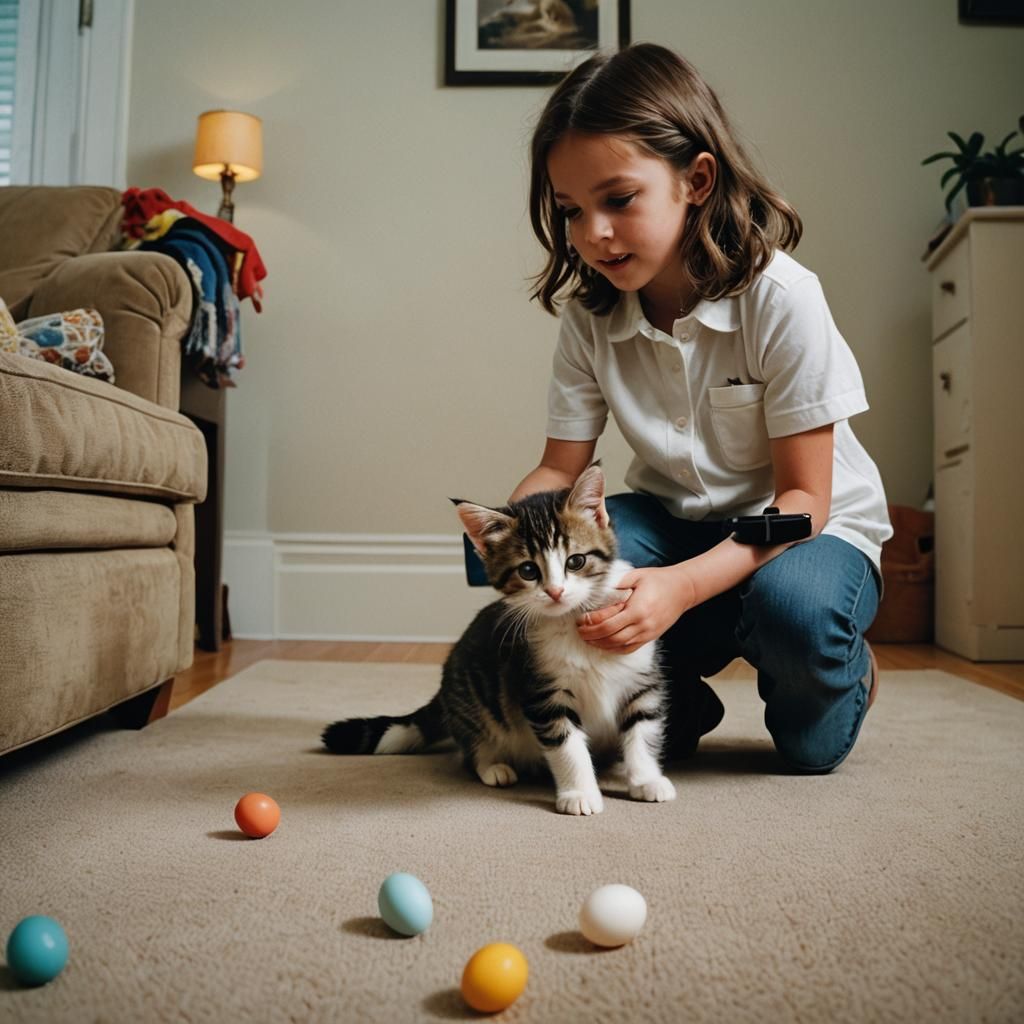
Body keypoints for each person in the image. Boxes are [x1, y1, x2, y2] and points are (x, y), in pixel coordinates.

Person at [508, 42, 893, 773]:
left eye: (618, 199)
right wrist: (509, 531)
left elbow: (806, 500)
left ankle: (846, 668)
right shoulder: (590, 316)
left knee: (800, 663)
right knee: (584, 580)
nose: (593, 233)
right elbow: (559, 469)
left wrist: (682, 588)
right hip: (676, 519)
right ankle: (684, 698)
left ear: (697, 180)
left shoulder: (782, 298)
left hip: (807, 530)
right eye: (570, 211)